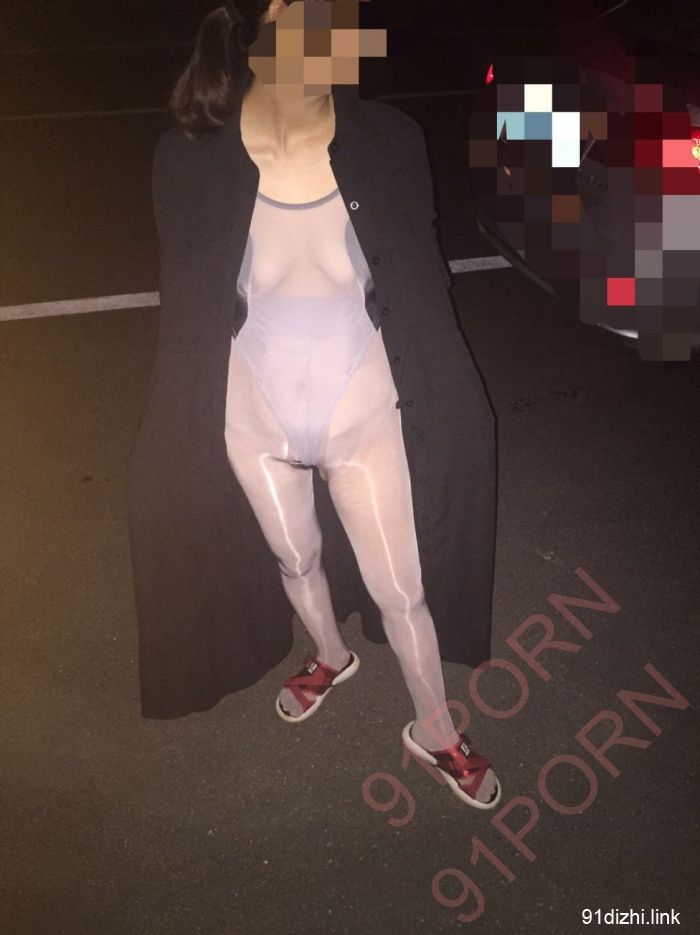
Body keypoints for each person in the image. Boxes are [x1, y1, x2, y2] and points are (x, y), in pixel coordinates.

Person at [133, 0, 501, 809]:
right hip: (253, 412)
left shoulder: (388, 138)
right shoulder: (189, 154)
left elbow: (421, 279)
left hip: (360, 406)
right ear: (263, 23)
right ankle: (331, 651)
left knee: (402, 588)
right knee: (295, 559)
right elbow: (185, 300)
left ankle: (436, 728)